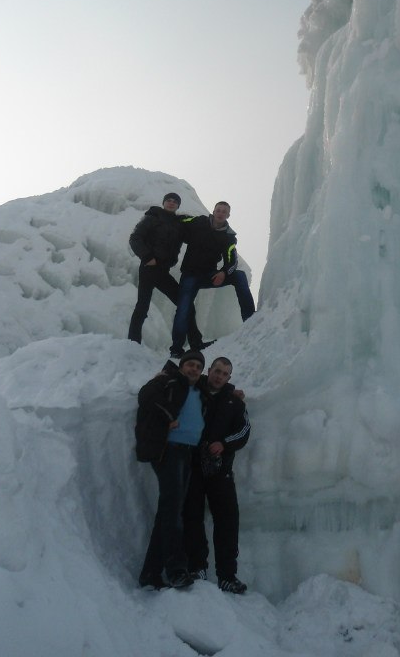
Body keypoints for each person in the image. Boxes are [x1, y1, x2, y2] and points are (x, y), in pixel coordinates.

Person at [135, 351, 208, 590]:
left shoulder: (197, 389)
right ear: (182, 366)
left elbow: (220, 388)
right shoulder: (169, 380)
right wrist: (168, 417)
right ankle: (172, 570)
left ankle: (155, 572)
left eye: (198, 366)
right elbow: (146, 396)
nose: (194, 369)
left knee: (172, 510)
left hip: (186, 453)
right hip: (169, 450)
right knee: (171, 510)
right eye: (190, 364)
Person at [183, 356, 251, 594]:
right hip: (192, 466)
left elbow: (243, 431)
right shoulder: (192, 388)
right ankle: (197, 567)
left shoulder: (234, 403)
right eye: (217, 371)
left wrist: (224, 443)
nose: (219, 376)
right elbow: (176, 374)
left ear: (229, 378)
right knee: (191, 517)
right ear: (209, 370)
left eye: (225, 373)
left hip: (220, 469)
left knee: (228, 521)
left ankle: (227, 575)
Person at [170, 201, 255, 358]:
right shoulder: (199, 222)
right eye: (218, 210)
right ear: (214, 211)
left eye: (224, 211)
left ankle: (251, 321)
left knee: (239, 276)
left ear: (228, 215)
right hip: (190, 274)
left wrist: (223, 272)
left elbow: (232, 261)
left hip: (210, 275)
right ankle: (176, 348)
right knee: (183, 308)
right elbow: (180, 221)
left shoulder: (228, 237)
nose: (220, 213)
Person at [127, 192, 210, 350]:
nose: (171, 203)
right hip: (149, 268)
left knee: (184, 304)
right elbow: (135, 238)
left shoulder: (179, 223)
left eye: (175, 202)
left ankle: (195, 342)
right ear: (164, 202)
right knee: (142, 306)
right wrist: (148, 257)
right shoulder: (153, 217)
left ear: (178, 205)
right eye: (169, 200)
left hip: (162, 271)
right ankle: (132, 343)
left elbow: (193, 234)